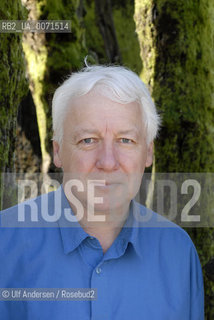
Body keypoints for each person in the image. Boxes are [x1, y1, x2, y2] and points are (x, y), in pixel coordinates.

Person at [0, 65, 204, 319]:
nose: (108, 162)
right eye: (88, 140)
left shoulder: (178, 253)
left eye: (125, 140)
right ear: (58, 151)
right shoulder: (5, 242)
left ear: (149, 152)